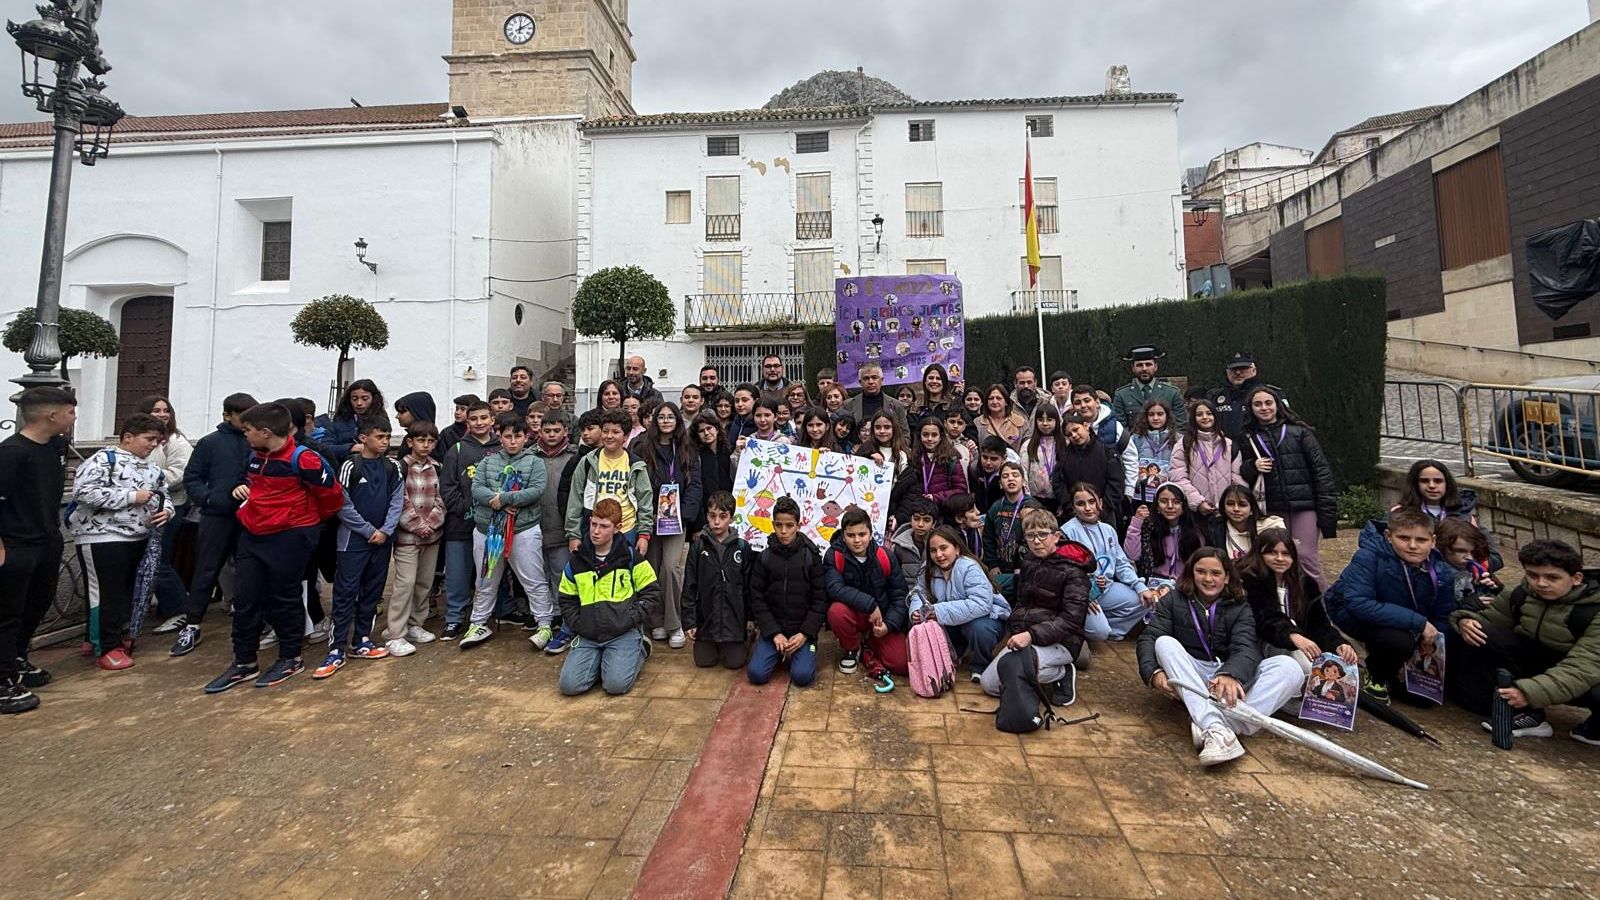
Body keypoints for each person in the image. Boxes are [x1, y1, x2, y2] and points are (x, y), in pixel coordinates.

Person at [203, 402, 344, 694]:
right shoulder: (255, 456)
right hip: (253, 534)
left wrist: (302, 523)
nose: (245, 436)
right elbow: (249, 484)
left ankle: (290, 657)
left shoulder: (304, 459)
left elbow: (331, 496)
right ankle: (244, 662)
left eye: (248, 431)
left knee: (285, 598)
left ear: (265, 432)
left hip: (290, 536)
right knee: (246, 600)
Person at [1138, 548, 1304, 766]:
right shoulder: (1173, 600)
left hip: (1227, 676)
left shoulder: (1240, 605)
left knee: (1290, 668)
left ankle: (1216, 727)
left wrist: (1230, 673)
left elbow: (1246, 647)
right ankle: (1217, 726)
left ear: (1227, 577)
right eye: (1201, 571)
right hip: (1192, 674)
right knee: (1164, 643)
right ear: (1191, 573)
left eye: (1216, 573)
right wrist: (1154, 673)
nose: (1208, 579)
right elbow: (1149, 637)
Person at [1448, 539, 1600, 744]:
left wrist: (1529, 692)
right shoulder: (1520, 594)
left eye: (1552, 577)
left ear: (1576, 578)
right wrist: (1465, 620)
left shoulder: (1594, 610)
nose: (1541, 583)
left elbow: (1585, 665)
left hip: (1585, 671)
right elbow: (1490, 621)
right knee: (1480, 632)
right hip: (1541, 660)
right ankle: (1531, 717)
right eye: (1533, 575)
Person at [68, 413, 173, 670]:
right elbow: (84, 492)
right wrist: (131, 496)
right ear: (128, 437)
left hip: (138, 536)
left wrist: (167, 510)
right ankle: (106, 646)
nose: (153, 445)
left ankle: (104, 637)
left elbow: (163, 495)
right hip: (101, 536)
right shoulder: (103, 460)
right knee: (105, 593)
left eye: (157, 441)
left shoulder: (152, 469)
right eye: (149, 439)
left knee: (125, 591)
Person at [1324, 508, 1457, 703]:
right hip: (1352, 614)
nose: (1412, 546)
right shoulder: (1368, 556)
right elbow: (1360, 603)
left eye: (1421, 540)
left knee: (1423, 701)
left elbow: (1442, 616)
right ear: (1388, 536)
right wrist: (1418, 623)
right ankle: (1375, 673)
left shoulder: (1442, 571)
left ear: (1433, 541)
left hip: (1403, 620)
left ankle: (1396, 671)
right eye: (1403, 538)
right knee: (1398, 641)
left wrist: (1429, 645)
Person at [0, 387, 76, 711]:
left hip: (47, 539)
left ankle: (17, 659)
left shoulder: (57, 446)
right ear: (52, 415)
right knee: (6, 613)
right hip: (15, 544)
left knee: (39, 603)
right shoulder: (11, 452)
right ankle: (3, 681)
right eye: (70, 412)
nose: (74, 418)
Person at [314, 415, 405, 678]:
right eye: (380, 437)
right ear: (363, 438)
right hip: (353, 542)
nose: (385, 442)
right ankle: (336, 648)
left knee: (372, 592)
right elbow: (343, 504)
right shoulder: (349, 466)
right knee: (345, 594)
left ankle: (362, 640)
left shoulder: (393, 467)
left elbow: (396, 501)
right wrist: (368, 530)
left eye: (388, 437)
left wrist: (386, 531)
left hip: (381, 542)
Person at [457, 413, 557, 650]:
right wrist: (497, 501)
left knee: (533, 578)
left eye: (518, 436)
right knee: (486, 579)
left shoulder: (534, 462)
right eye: (507, 436)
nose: (512, 441)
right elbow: (477, 488)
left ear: (526, 437)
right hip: (488, 530)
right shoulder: (487, 462)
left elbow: (535, 490)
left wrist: (503, 498)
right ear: (499, 437)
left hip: (523, 530)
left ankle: (544, 623)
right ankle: (479, 622)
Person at [169, 392, 256, 658]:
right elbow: (192, 477)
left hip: (251, 517)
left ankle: (251, 623)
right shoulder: (210, 443)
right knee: (206, 571)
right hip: (216, 517)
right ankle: (193, 624)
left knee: (250, 573)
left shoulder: (258, 441)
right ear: (227, 415)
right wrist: (208, 499)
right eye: (243, 416)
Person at [979, 507, 1091, 703]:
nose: (1036, 540)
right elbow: (1022, 603)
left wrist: (1030, 635)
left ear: (1056, 536)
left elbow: (1072, 620)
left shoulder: (1074, 572)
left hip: (1061, 641)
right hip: (1026, 638)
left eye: (1042, 534)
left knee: (1013, 675)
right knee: (989, 685)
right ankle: (1036, 674)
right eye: (1030, 536)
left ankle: (1062, 672)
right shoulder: (1029, 562)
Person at [557, 498, 660, 696]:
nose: (596, 531)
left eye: (604, 526)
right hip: (588, 634)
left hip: (622, 632)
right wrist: (578, 624)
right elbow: (566, 599)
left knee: (615, 686)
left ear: (617, 528)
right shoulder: (577, 561)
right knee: (569, 686)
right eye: (593, 524)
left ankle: (640, 648)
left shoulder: (630, 557)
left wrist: (631, 618)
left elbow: (652, 592)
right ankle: (601, 662)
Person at [1238, 387, 1337, 588]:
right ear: (1251, 409)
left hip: (1304, 506)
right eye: (1258, 404)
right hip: (1271, 507)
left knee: (1305, 556)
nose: (1264, 408)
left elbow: (1321, 471)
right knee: (1275, 558)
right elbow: (1241, 472)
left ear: (1277, 404)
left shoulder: (1300, 432)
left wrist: (1327, 513)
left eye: (1268, 403)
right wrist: (1252, 467)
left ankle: (1320, 608)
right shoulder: (1248, 437)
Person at [632, 402, 702, 649]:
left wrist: (685, 515)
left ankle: (675, 624)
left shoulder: (687, 449)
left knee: (671, 568)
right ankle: (657, 621)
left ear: (677, 420)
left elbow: (695, 485)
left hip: (676, 519)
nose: (665, 421)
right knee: (651, 568)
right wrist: (645, 513)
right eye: (660, 417)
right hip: (650, 517)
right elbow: (636, 484)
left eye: (670, 416)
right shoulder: (642, 448)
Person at [1238, 527, 1356, 674]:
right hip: (1262, 644)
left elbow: (1318, 624)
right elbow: (1265, 618)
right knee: (1304, 668)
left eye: (1286, 554)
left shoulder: (1305, 584)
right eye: (1272, 552)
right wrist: (1291, 635)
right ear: (1259, 554)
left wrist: (1338, 644)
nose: (1280, 558)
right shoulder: (1250, 581)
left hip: (1299, 644)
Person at [1060, 482, 1155, 650]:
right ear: (1074, 508)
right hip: (1083, 594)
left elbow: (1121, 563)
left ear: (1101, 503)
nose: (1088, 508)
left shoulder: (1108, 529)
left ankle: (1108, 626)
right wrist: (1084, 593)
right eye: (1080, 504)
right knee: (1099, 633)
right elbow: (1064, 571)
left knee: (1146, 600)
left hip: (1107, 589)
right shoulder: (1067, 531)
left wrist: (1140, 586)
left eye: (1092, 501)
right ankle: (1081, 626)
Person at [825, 507, 910, 691]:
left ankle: (869, 644)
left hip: (881, 620)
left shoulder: (885, 556)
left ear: (871, 534)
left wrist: (889, 624)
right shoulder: (834, 555)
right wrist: (870, 605)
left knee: (901, 664)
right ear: (843, 535)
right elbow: (834, 588)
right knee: (836, 612)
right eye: (851, 535)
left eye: (862, 534)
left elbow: (899, 595)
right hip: (853, 615)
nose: (857, 540)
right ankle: (852, 648)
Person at [911, 527, 1010, 682]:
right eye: (933, 550)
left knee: (980, 629)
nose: (939, 555)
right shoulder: (928, 569)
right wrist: (917, 611)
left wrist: (937, 610)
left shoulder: (969, 567)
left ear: (956, 548)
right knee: (929, 626)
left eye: (944, 548)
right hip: (954, 619)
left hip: (987, 617)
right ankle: (954, 654)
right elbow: (920, 592)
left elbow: (981, 604)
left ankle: (980, 666)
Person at [748, 497, 828, 686]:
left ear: (798, 526)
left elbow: (820, 599)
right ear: (773, 524)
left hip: (801, 632)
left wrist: (805, 634)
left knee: (802, 677)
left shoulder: (811, 557)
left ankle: (805, 650)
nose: (784, 531)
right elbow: (757, 598)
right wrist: (773, 633)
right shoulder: (764, 557)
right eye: (779, 525)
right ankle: (775, 651)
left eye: (789, 525)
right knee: (756, 675)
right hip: (773, 631)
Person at [383, 421, 445, 657]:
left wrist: (431, 524)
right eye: (421, 440)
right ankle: (395, 633)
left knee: (424, 583)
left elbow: (441, 499)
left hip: (432, 536)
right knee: (404, 583)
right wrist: (417, 525)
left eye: (430, 441)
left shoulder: (437, 467)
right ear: (410, 442)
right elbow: (400, 501)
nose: (426, 445)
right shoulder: (399, 468)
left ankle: (415, 625)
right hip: (407, 537)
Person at [438, 401, 498, 641]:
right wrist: (464, 507)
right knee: (457, 574)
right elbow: (447, 486)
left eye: (484, 418)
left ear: (493, 419)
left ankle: (491, 614)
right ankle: (454, 618)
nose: (480, 423)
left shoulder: (500, 449)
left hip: (494, 524)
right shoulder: (458, 450)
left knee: (490, 573)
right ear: (467, 421)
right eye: (474, 419)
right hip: (461, 524)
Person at [138, 396, 195, 635]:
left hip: (170, 505)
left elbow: (179, 473)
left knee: (159, 560)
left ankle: (179, 609)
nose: (162, 414)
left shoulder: (175, 441)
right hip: (147, 506)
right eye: (156, 410)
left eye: (165, 410)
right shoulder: (149, 440)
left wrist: (146, 482)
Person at [564, 409, 654, 559]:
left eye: (615, 432)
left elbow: (645, 501)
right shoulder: (588, 461)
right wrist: (574, 535)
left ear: (625, 437)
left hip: (627, 530)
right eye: (605, 431)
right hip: (594, 531)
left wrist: (644, 535)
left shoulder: (635, 465)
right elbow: (575, 499)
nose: (609, 436)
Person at [683, 491, 754, 670]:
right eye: (712, 516)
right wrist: (690, 622)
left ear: (731, 518)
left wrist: (750, 619)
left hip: (734, 622)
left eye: (722, 516)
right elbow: (689, 586)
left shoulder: (742, 547)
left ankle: (741, 642)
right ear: (706, 515)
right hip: (706, 621)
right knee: (703, 662)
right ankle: (712, 642)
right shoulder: (698, 547)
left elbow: (749, 587)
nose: (716, 522)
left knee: (735, 663)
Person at [1395, 459, 1502, 571]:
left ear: (1447, 483)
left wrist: (1474, 567)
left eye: (1438, 481)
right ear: (1415, 484)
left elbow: (1495, 558)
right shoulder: (1400, 515)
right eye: (1424, 481)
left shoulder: (1464, 515)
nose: (1432, 486)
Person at [534, 409, 580, 652]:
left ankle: (564, 616)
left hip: (562, 527)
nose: (551, 435)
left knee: (561, 574)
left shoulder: (574, 457)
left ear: (566, 431)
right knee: (538, 576)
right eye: (547, 430)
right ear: (539, 431)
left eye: (556, 431)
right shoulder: (530, 455)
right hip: (534, 526)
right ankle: (545, 617)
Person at [1170, 398, 1243, 521]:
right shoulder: (1184, 444)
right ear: (1193, 418)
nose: (1205, 417)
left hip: (1226, 512)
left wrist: (1230, 503)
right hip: (1196, 513)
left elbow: (1237, 478)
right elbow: (1178, 477)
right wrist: (1198, 502)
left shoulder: (1229, 445)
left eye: (1209, 413)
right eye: (1199, 414)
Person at [1051, 415, 1125, 533]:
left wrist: (1102, 509)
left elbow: (1116, 484)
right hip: (1074, 517)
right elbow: (1058, 483)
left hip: (1104, 516)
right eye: (1069, 434)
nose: (1074, 435)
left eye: (1076, 430)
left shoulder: (1107, 452)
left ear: (1086, 426)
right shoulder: (1064, 456)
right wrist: (1070, 507)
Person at [1125, 483, 1207, 586]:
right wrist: (1136, 523)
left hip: (1185, 586)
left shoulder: (1195, 533)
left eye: (1176, 502)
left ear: (1183, 507)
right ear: (1157, 507)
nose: (1170, 506)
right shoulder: (1149, 530)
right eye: (1164, 501)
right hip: (1154, 585)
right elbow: (1132, 555)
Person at [1071, 385, 1137, 509]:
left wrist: (1128, 491)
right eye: (1078, 402)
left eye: (1087, 400)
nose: (1083, 406)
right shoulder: (1069, 429)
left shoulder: (1114, 427)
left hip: (1111, 498)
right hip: (1080, 500)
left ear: (1097, 402)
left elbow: (1131, 459)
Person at [982, 461, 1039, 597]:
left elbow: (1032, 540)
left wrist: (1021, 565)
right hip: (1000, 566)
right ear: (1001, 484)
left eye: (1015, 475)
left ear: (1023, 481)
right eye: (1006, 476)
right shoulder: (996, 507)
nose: (1011, 479)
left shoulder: (1032, 506)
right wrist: (992, 564)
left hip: (1024, 569)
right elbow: (988, 537)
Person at [1213, 351, 1289, 438]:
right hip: (1223, 448)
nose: (1238, 372)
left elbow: (1285, 422)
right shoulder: (1214, 395)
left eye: (1243, 368)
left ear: (1254, 370)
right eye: (1233, 369)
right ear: (1227, 372)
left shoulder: (1271, 393)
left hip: (1260, 446)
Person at [905, 416, 968, 518]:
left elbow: (961, 489)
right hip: (919, 512)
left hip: (943, 514)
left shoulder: (951, 459)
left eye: (934, 435)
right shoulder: (914, 458)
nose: (930, 439)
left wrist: (936, 497)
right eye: (925, 435)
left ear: (941, 436)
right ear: (919, 436)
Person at [1112, 346, 1188, 429]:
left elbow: (1181, 425)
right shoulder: (1122, 395)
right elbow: (1120, 428)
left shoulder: (1172, 393)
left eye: (1148, 364)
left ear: (1155, 366)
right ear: (1133, 368)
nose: (1144, 369)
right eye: (1139, 365)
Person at [1436, 517, 1503, 610]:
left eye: (1473, 552)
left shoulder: (1476, 568)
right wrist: (1468, 604)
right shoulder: (1433, 575)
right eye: (1460, 551)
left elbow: (1501, 596)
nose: (1469, 557)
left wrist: (1493, 588)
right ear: (1443, 547)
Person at [1209, 484, 1284, 560]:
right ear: (1223, 508)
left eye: (1242, 505)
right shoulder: (1216, 528)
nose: (1236, 509)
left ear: (1251, 510)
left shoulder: (1269, 525)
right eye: (1230, 504)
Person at [317, 379, 384, 463]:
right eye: (354, 399)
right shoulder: (339, 420)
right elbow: (326, 448)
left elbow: (384, 447)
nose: (359, 403)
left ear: (373, 399)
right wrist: (352, 447)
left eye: (365, 398)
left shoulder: (381, 419)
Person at [1129, 400, 1179, 509]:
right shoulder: (1136, 439)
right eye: (1151, 414)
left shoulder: (1178, 439)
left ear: (1167, 416)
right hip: (1141, 495)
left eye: (1160, 414)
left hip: (1169, 494)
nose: (1155, 418)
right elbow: (1130, 464)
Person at [1021, 404, 1066, 516]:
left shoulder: (1065, 443)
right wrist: (1028, 501)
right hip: (1034, 501)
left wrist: (1066, 502)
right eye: (1041, 420)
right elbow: (1023, 473)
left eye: (1049, 420)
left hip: (1058, 500)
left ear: (1057, 421)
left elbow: (1071, 474)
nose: (1045, 424)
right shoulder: (1028, 445)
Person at [842, 362, 909, 433]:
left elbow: (905, 434)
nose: (870, 382)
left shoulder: (896, 405)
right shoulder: (848, 405)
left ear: (881, 380)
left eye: (874, 377)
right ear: (860, 382)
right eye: (866, 378)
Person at [890, 496, 937, 586]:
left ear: (934, 524)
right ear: (910, 520)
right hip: (906, 595)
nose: (920, 524)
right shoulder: (898, 546)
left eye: (926, 520)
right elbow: (894, 578)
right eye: (916, 519)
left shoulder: (938, 545)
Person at [692, 413, 733, 503]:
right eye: (701, 431)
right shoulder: (696, 455)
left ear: (717, 429)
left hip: (729, 502)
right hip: (706, 504)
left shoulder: (729, 451)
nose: (706, 433)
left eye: (709, 428)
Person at [858, 412, 910, 480]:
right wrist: (867, 457)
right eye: (877, 427)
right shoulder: (865, 448)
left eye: (887, 427)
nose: (882, 431)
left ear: (894, 429)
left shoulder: (903, 453)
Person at [394, 392, 442, 460]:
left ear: (417, 412)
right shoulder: (408, 438)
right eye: (421, 440)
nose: (397, 416)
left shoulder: (438, 448)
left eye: (402, 412)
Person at [968, 436, 1010, 514]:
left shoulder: (1009, 475)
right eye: (985, 457)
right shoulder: (973, 469)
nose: (988, 462)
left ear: (1004, 458)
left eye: (993, 459)